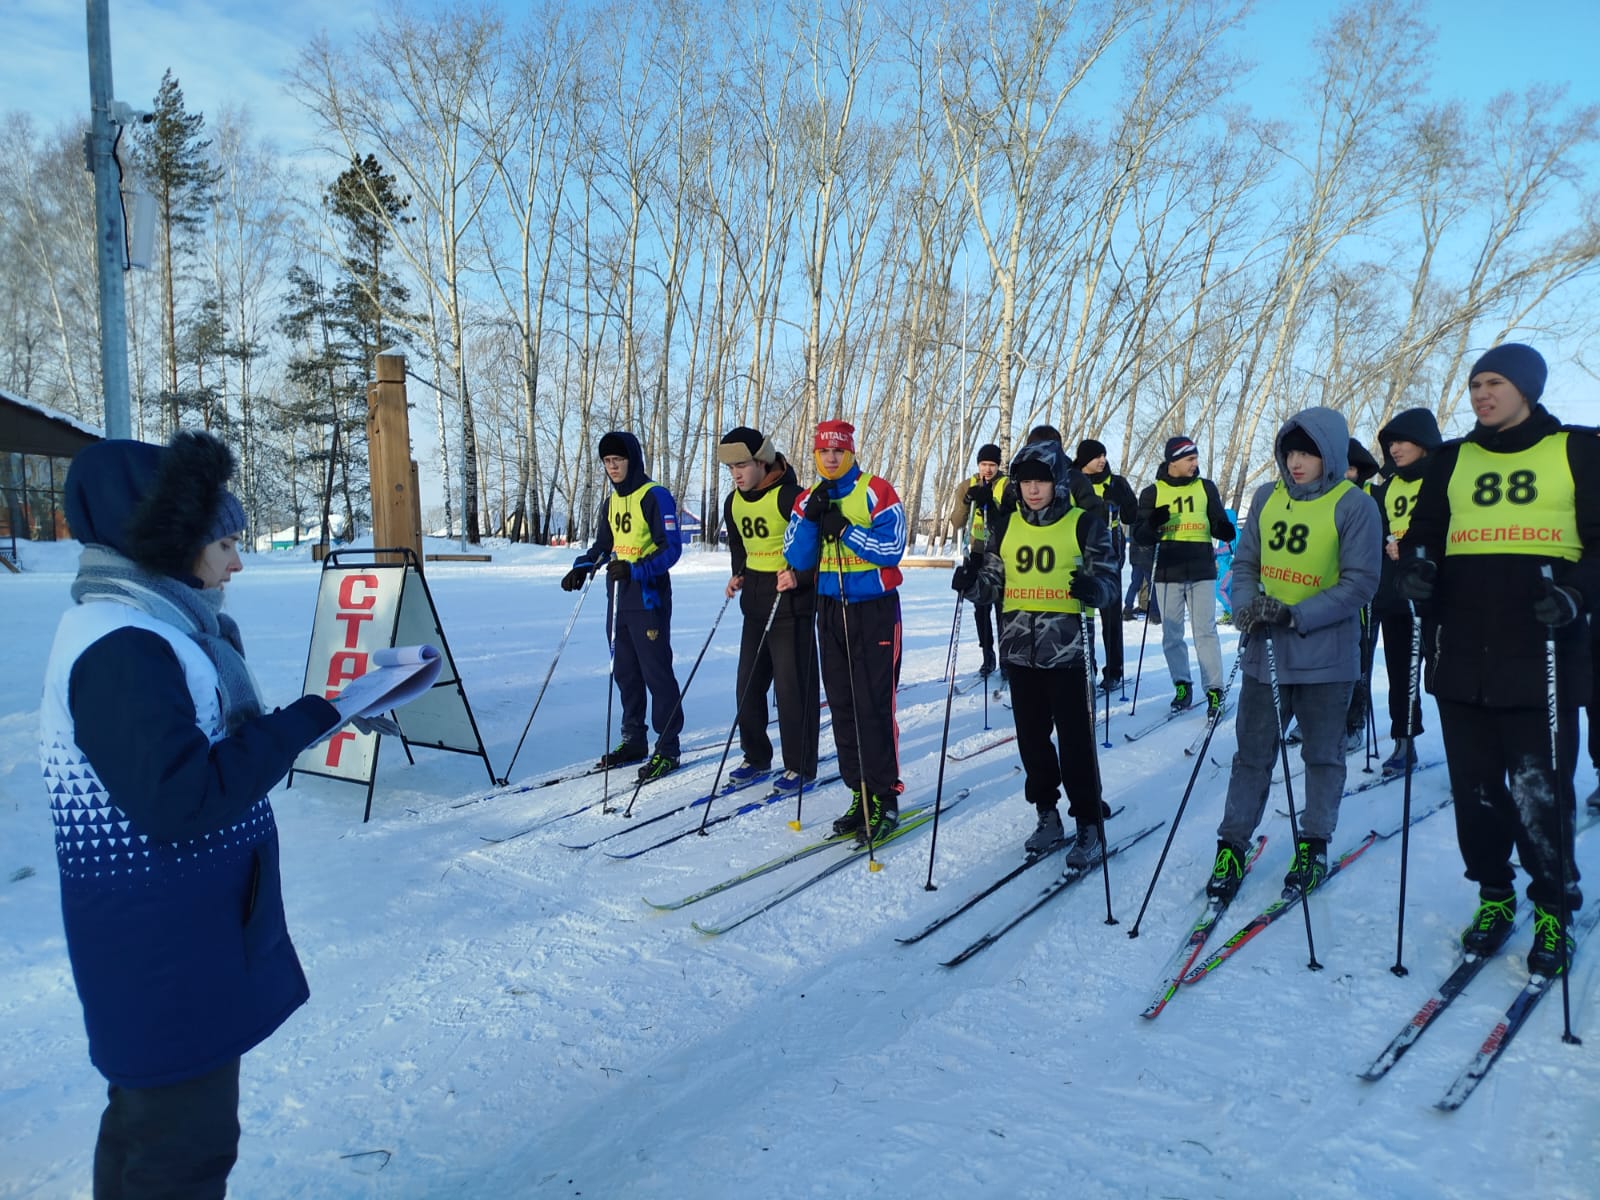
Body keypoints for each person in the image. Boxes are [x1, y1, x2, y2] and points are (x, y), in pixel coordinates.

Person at [41, 432, 345, 1198]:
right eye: (224, 542)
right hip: (162, 957)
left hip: (182, 942)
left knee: (151, 1140)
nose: (236, 563)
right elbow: (181, 801)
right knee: (180, 1154)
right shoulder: (123, 646)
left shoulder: (154, 626)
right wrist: (304, 721)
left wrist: (321, 716)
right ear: (171, 541)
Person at [1399, 343, 1600, 974]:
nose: (1481, 394)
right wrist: (1419, 571)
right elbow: (1425, 535)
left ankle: (1553, 907)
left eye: (1494, 383)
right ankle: (1493, 895)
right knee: (1477, 792)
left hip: (1542, 653)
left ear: (1527, 388)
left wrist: (1575, 593)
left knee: (1541, 794)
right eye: (1474, 384)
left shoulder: (1577, 450)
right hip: (1462, 653)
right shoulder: (1452, 458)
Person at [1206, 409, 1382, 901]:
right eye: (1290, 452)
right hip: (1267, 654)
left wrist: (1294, 614)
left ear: (1330, 454)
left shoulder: (1355, 505)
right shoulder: (1267, 497)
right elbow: (1246, 564)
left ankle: (1314, 843)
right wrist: (1246, 608)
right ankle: (1232, 845)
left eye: (1307, 453)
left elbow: (1360, 584)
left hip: (1327, 659)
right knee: (1252, 755)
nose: (1296, 462)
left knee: (1322, 756)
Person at [952, 438, 1118, 866]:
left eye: (1041, 480)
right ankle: (1047, 813)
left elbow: (1109, 583)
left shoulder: (1084, 524)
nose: (1032, 489)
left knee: (1076, 743)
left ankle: (1088, 821)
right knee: (1032, 742)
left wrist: (1094, 588)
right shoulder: (1005, 526)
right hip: (1019, 653)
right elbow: (992, 585)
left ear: (1057, 481)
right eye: (1025, 481)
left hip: (1068, 653)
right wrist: (970, 585)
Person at [784, 419, 907, 843]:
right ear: (815, 455)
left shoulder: (876, 490)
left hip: (873, 610)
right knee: (841, 706)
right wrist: (812, 519)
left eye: (838, 451)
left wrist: (847, 531)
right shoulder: (808, 498)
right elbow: (796, 556)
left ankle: (885, 796)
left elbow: (892, 550)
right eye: (824, 452)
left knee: (873, 705)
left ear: (851, 453)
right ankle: (859, 792)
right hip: (829, 607)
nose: (831, 458)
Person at [561, 430, 685, 780]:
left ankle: (668, 747)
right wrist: (583, 566)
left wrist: (635, 569)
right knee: (625, 671)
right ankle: (634, 739)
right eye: (607, 462)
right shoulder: (611, 502)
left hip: (648, 596)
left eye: (618, 460)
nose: (612, 467)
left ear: (633, 460)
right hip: (618, 599)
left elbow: (671, 549)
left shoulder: (654, 495)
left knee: (656, 673)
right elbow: (604, 545)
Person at [719, 426, 820, 793]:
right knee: (747, 687)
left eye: (742, 466)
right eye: (731, 468)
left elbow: (819, 548)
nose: (736, 474)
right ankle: (757, 756)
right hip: (756, 605)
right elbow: (739, 545)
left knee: (793, 692)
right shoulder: (733, 502)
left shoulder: (791, 497)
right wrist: (739, 574)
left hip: (791, 605)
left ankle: (800, 765)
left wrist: (800, 576)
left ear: (762, 462)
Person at [1132, 436, 1236, 715]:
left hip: (1202, 569)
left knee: (1205, 632)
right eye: (1190, 459)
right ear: (1173, 461)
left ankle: (1214, 690)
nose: (1195, 464)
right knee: (1172, 634)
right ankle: (1182, 685)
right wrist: (1152, 524)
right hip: (1168, 571)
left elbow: (1217, 522)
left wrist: (1224, 530)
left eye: (1196, 458)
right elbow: (1139, 536)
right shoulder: (1152, 492)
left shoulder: (1205, 487)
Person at [1370, 410, 1443, 775]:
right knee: (1400, 674)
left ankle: (1466, 747)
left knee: (1444, 674)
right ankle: (1404, 740)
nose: (1394, 449)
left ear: (1423, 441)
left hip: (1438, 594)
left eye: (1401, 441)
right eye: (1390, 444)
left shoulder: (1444, 477)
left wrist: (1414, 548)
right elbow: (1379, 533)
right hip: (1396, 593)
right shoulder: (1386, 488)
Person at [1074, 438, 1138, 693]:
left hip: (1109, 552)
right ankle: (1083, 667)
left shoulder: (1116, 482)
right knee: (1081, 616)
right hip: (1078, 551)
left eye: (1103, 455)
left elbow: (1131, 516)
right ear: (1084, 460)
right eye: (1096, 456)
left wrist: (1123, 501)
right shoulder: (1072, 481)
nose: (1102, 460)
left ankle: (1114, 670)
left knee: (1110, 617)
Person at [946, 442, 1007, 677]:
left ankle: (1006, 659)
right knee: (981, 609)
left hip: (1001, 553)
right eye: (983, 464)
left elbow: (1010, 517)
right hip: (976, 552)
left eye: (992, 465)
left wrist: (991, 504)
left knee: (1002, 608)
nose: (987, 470)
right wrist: (966, 501)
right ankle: (987, 656)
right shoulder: (966, 485)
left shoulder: (1006, 485)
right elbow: (956, 522)